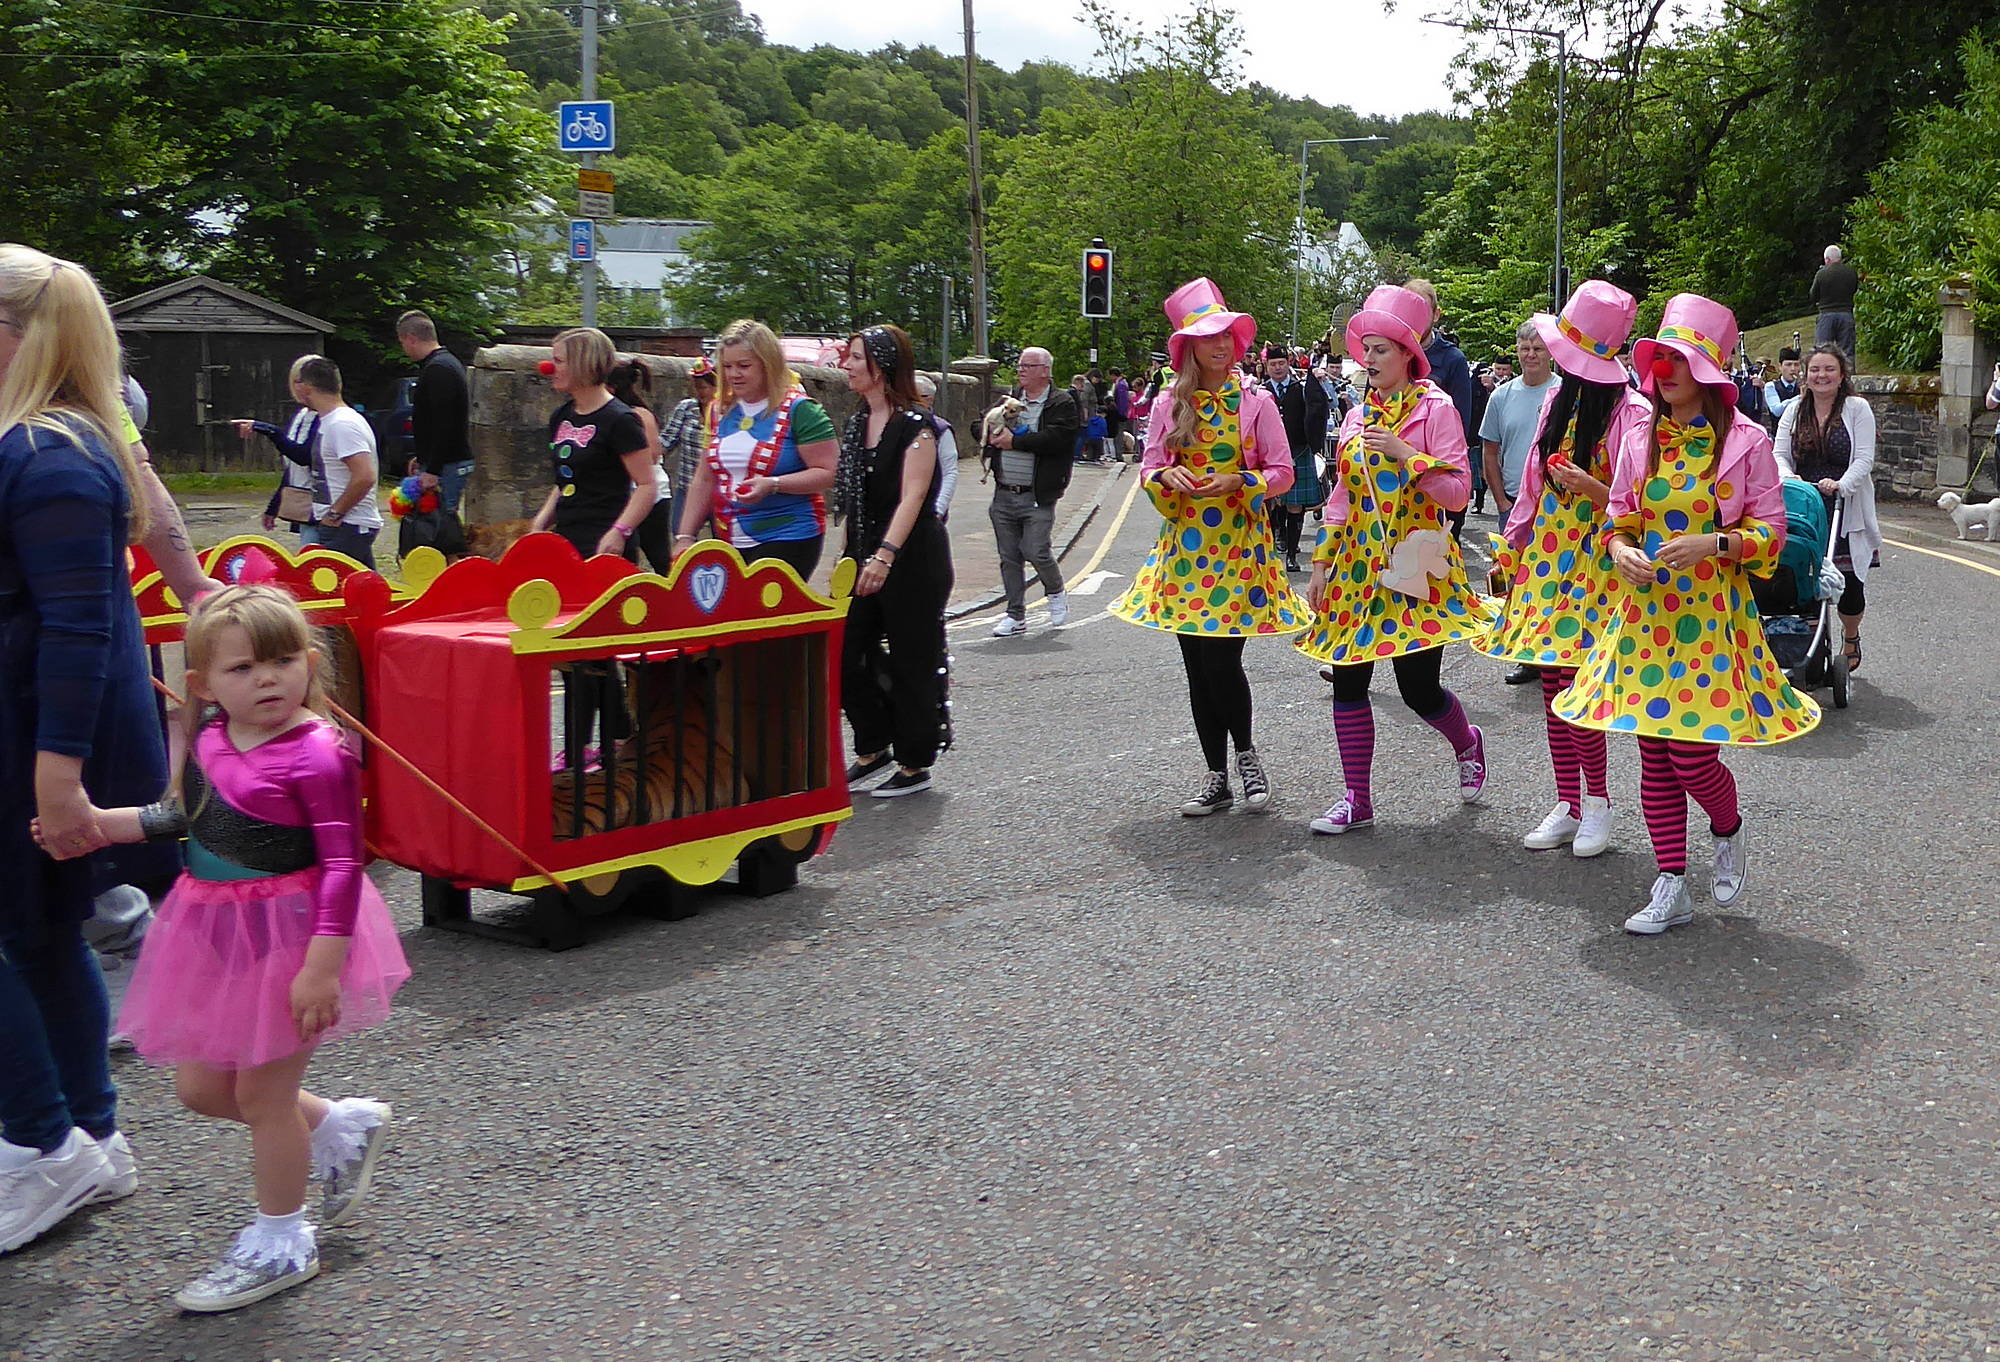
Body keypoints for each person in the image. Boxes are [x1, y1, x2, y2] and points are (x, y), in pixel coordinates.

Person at [50, 584, 408, 1309]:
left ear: (309, 663)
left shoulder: (319, 753)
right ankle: (339, 1125)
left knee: (260, 1093)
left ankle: (282, 1240)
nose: (266, 679)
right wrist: (100, 823)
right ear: (203, 683)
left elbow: (343, 863)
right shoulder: (211, 736)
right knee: (201, 1088)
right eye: (242, 669)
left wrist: (321, 967)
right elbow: (186, 816)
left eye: (280, 661)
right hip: (218, 932)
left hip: (295, 937)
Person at [1554, 294, 1821, 935]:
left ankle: (1727, 829)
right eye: (1659, 357)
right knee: (1653, 754)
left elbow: (1773, 531)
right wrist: (1619, 552)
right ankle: (1671, 882)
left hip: (1709, 620)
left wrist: (1715, 544)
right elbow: (1617, 521)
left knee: (1691, 758)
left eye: (1678, 359)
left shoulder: (1747, 440)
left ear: (1706, 371)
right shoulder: (1641, 436)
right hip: (1645, 619)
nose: (1664, 369)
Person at [0, 244, 166, 1254]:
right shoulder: (57, 443)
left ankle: (36, 1145)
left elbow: (78, 628)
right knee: (42, 928)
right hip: (33, 731)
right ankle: (90, 1139)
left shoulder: (43, 451)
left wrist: (56, 777)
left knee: (27, 927)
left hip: (30, 736)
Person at [1294, 284, 1497, 835]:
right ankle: (1356, 798)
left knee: (1417, 689)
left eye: (1382, 349)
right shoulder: (1358, 418)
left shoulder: (1437, 409)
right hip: (1356, 571)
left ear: (1409, 355)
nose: (1370, 359)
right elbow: (1341, 498)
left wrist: (1408, 455)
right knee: (1348, 681)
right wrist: (1318, 565)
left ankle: (1467, 741)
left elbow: (1457, 493)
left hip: (1417, 562)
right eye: (1366, 348)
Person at [1110, 279, 1310, 815]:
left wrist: (1240, 483)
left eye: (1226, 334)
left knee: (1223, 662)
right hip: (1183, 552)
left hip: (1239, 551)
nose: (1221, 345)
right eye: (1208, 337)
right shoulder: (1169, 404)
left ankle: (1246, 757)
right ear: (1189, 347)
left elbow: (1284, 473)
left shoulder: (1256, 402)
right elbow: (1150, 466)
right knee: (1196, 666)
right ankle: (1216, 774)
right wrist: (1166, 479)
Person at [1475, 280, 1653, 858]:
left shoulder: (1633, 413)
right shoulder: (1560, 399)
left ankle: (1597, 803)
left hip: (1600, 563)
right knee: (1551, 682)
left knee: (1582, 686)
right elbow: (1530, 482)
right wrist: (1513, 543)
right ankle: (1568, 802)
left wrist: (1596, 488)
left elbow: (1647, 504)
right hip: (1549, 560)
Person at [837, 326, 954, 799]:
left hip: (912, 560)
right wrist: (850, 558)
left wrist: (885, 556)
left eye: (855, 358)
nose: (845, 365)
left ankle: (914, 761)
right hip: (863, 554)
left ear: (880, 366)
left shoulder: (916, 426)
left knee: (913, 660)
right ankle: (873, 746)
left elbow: (914, 497)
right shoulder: (856, 421)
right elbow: (852, 502)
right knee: (846, 655)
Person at [675, 320, 838, 576]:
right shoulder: (719, 410)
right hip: (729, 537)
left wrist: (773, 484)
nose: (733, 375)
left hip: (789, 533)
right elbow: (704, 478)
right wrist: (685, 536)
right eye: (727, 366)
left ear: (768, 364)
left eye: (744, 366)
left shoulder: (802, 410)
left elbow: (828, 473)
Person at [1773, 343, 1882, 674]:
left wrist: (1842, 485)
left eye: (1829, 369)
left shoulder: (1857, 408)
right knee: (1804, 577)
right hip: (1805, 505)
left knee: (1850, 583)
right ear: (1806, 375)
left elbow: (1864, 457)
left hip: (1845, 504)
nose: (1821, 376)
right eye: (1815, 370)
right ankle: (1807, 645)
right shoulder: (1794, 409)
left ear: (1842, 374)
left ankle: (1851, 635)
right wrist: (1789, 477)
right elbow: (1779, 452)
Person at [1479, 321, 1562, 684]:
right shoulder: (1501, 396)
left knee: (1557, 582)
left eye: (1538, 349)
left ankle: (1558, 653)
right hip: (1513, 504)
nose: (1530, 355)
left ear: (1551, 353)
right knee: (1517, 583)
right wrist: (1499, 502)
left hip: (1556, 506)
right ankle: (1527, 654)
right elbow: (1489, 450)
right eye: (1525, 348)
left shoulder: (1562, 393)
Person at [531, 328, 654, 561]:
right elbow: (566, 481)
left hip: (604, 541)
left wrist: (619, 532)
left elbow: (647, 485)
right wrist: (540, 522)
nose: (549, 368)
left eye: (559, 361)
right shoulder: (561, 415)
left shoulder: (620, 419)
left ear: (582, 364)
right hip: (567, 535)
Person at [984, 345, 1077, 637]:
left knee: (1036, 550)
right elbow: (980, 424)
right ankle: (1015, 615)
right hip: (1004, 492)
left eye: (1028, 365)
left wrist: (1016, 442)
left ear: (1045, 371)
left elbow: (1058, 439)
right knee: (1009, 556)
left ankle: (1056, 590)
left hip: (1037, 494)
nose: (1021, 369)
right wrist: (989, 434)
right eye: (1020, 365)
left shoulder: (1062, 403)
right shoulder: (1007, 400)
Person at [285, 355, 383, 567]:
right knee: (362, 592)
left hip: (347, 525)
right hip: (343, 525)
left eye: (297, 383)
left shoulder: (342, 424)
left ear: (305, 387)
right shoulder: (331, 421)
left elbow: (365, 476)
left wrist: (334, 513)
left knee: (337, 594)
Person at [1402, 279, 1478, 541]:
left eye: (1422, 310)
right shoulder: (1388, 353)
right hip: (1393, 479)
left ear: (1435, 314)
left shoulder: (1452, 359)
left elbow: (1462, 424)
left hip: (1435, 479)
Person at [1258, 342, 1330, 574]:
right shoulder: (1261, 391)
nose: (1277, 368)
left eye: (1281, 363)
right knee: (1269, 503)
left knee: (1295, 506)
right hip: (1268, 455)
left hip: (1297, 450)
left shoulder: (1302, 388)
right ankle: (1273, 544)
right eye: (1273, 364)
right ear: (1266, 366)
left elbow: (1320, 410)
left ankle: (1291, 554)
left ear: (1288, 364)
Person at [396, 310, 472, 514]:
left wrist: (433, 469)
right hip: (442, 462)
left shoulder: (439, 369)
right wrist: (422, 458)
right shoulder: (442, 364)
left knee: (439, 526)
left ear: (410, 339)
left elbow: (444, 423)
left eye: (402, 343)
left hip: (447, 464)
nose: (404, 349)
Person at [233, 361, 319, 539]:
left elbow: (304, 456)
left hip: (323, 506)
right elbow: (292, 465)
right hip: (305, 504)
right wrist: (275, 506)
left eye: (299, 382)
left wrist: (269, 430)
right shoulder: (302, 416)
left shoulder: (326, 418)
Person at [606, 357, 674, 572]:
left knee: (659, 555)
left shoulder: (638, 414)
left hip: (651, 495)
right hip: (624, 495)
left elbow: (653, 454)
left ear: (612, 388)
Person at [912, 373, 959, 523]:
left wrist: (939, 509)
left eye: (914, 397)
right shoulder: (895, 425)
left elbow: (949, 472)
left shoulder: (941, 429)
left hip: (928, 512)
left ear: (929, 400)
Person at [1809, 245, 1859, 360]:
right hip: (1846, 313)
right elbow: (1854, 289)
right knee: (1847, 352)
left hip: (1826, 314)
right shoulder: (1850, 272)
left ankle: (1824, 375)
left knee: (1823, 351)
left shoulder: (1821, 274)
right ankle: (1848, 376)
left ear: (1827, 259)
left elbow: (1813, 295)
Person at [1763, 347, 1801, 430]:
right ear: (1780, 366)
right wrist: (1801, 397)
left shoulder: (1803, 385)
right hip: (1778, 435)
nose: (1793, 369)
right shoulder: (1771, 386)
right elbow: (1777, 411)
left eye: (1796, 365)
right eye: (1788, 365)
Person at [1070, 371, 1103, 463]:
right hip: (1087, 413)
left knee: (1083, 434)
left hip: (1087, 412)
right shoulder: (1088, 385)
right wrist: (1085, 413)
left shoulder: (1087, 385)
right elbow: (1084, 400)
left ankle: (1079, 453)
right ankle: (1077, 454)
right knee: (1082, 434)